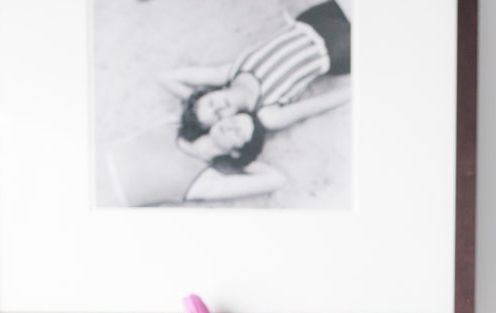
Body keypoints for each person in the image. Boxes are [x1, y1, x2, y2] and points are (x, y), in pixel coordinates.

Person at [159, 0, 351, 139]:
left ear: (212, 93)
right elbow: (319, 104)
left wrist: (190, 101)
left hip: (310, 21)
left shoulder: (228, 73)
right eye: (217, 116)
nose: (219, 107)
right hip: (336, 49)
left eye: (211, 103)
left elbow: (165, 78)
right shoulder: (268, 114)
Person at [99, 111, 286, 207]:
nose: (230, 126)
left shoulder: (204, 181)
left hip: (103, 198)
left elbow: (275, 180)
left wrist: (242, 160)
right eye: (233, 120)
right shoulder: (173, 123)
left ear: (236, 150)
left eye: (238, 132)